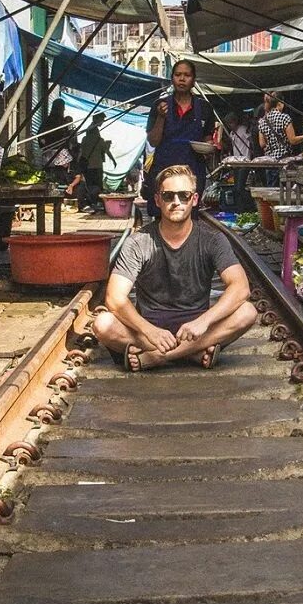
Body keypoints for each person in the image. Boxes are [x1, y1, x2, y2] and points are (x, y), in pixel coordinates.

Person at [95, 164, 258, 371]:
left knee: (247, 311)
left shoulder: (212, 239)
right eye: (168, 196)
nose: (176, 202)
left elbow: (240, 287)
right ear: (157, 200)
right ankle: (191, 353)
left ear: (195, 200)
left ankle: (159, 357)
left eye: (184, 195)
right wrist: (150, 331)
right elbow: (114, 298)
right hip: (149, 333)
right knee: (102, 323)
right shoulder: (138, 242)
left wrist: (204, 322)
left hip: (196, 331)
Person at [144, 60, 215, 212]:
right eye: (178, 75)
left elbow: (207, 138)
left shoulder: (204, 108)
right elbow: (153, 141)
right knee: (163, 213)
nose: (182, 79)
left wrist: (210, 146)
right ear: (172, 78)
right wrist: (161, 117)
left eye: (187, 75)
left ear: (193, 80)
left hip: (193, 171)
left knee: (188, 213)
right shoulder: (159, 105)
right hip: (164, 170)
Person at [256, 92, 303, 159]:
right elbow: (293, 140)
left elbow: (262, 144)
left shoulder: (262, 121)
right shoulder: (284, 118)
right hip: (283, 160)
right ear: (280, 104)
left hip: (270, 161)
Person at [75, 113, 112, 212]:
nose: (103, 122)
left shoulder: (84, 138)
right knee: (97, 186)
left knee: (90, 185)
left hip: (87, 165)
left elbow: (81, 151)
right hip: (97, 165)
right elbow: (105, 150)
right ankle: (95, 203)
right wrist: (112, 159)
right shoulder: (98, 138)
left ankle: (92, 203)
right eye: (102, 119)